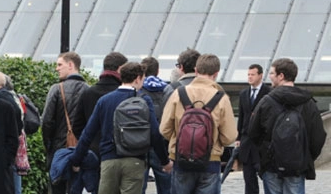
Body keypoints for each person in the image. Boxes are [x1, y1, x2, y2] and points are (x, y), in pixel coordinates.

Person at [68, 62, 173, 194]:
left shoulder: (105, 100)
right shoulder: (144, 100)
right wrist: (164, 161)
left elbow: (88, 133)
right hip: (135, 161)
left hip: (108, 161)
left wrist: (77, 159)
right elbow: (154, 134)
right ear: (138, 78)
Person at [160, 54, 238, 193]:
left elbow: (164, 129)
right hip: (210, 161)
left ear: (196, 70)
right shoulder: (221, 98)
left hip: (181, 159)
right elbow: (229, 137)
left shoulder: (179, 93)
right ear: (216, 74)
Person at [248, 58, 327, 194]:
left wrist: (264, 154)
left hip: (271, 163)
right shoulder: (308, 103)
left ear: (281, 76)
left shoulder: (266, 101)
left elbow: (253, 132)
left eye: (272, 73)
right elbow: (318, 136)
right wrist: (305, 156)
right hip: (296, 164)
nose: (270, 77)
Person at [42, 52, 90, 194]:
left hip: (58, 150)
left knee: (57, 187)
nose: (57, 68)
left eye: (59, 64)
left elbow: (46, 122)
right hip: (81, 151)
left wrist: (49, 146)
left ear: (70, 65)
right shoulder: (88, 90)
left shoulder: (56, 89)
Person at [79, 52, 128, 154]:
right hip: (118, 152)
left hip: (92, 151)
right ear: (120, 69)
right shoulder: (124, 94)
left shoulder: (88, 93)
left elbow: (78, 125)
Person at [138, 56, 172, 194]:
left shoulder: (138, 89)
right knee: (166, 186)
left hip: (140, 142)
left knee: (140, 187)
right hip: (162, 143)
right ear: (158, 71)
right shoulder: (167, 89)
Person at [0, 72, 27, 194]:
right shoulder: (12, 96)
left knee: (10, 181)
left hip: (6, 146)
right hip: (15, 144)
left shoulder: (1, 97)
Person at [236, 64, 271, 194]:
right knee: (249, 179)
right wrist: (238, 137)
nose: (250, 77)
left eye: (253, 74)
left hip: (261, 143)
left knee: (267, 178)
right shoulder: (244, 93)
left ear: (260, 76)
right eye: (248, 74)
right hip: (246, 142)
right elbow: (242, 116)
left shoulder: (269, 92)